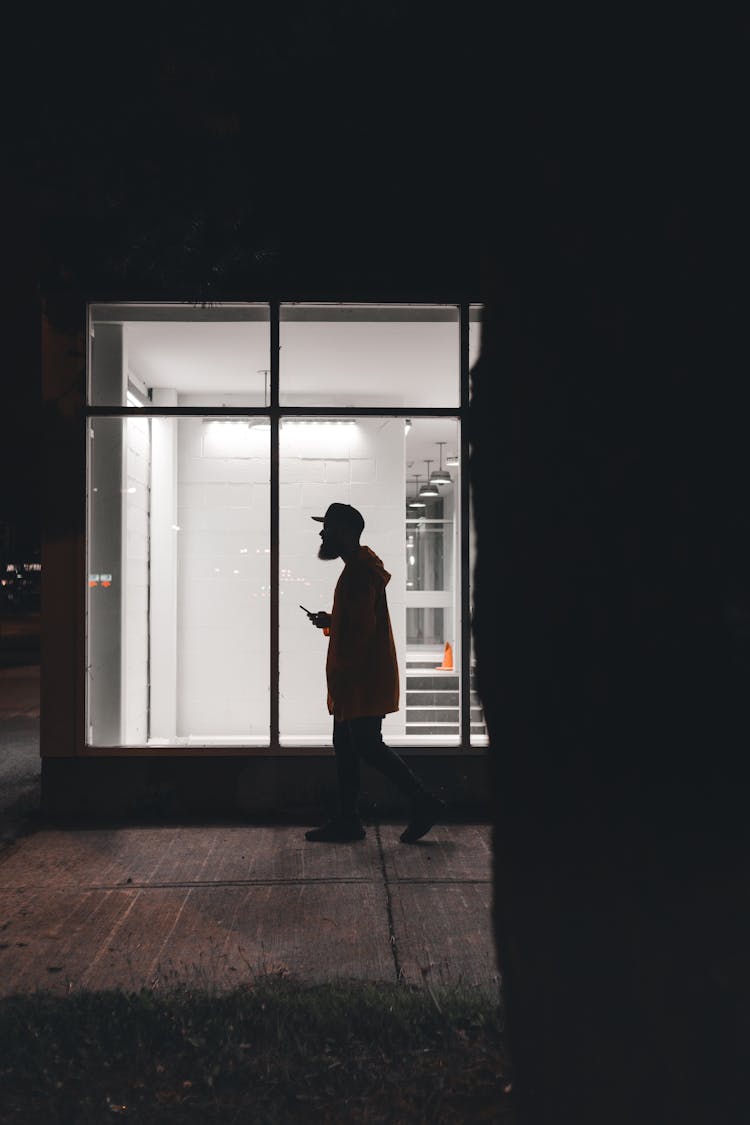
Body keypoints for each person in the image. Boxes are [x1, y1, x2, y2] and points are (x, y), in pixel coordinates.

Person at [304, 502, 445, 843]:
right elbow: (356, 624)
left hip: (359, 680)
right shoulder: (360, 568)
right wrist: (332, 622)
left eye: (329, 527)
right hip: (355, 679)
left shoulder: (357, 573)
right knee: (349, 746)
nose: (322, 533)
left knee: (366, 745)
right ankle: (348, 819)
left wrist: (342, 659)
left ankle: (422, 800)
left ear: (347, 533)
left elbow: (361, 630)